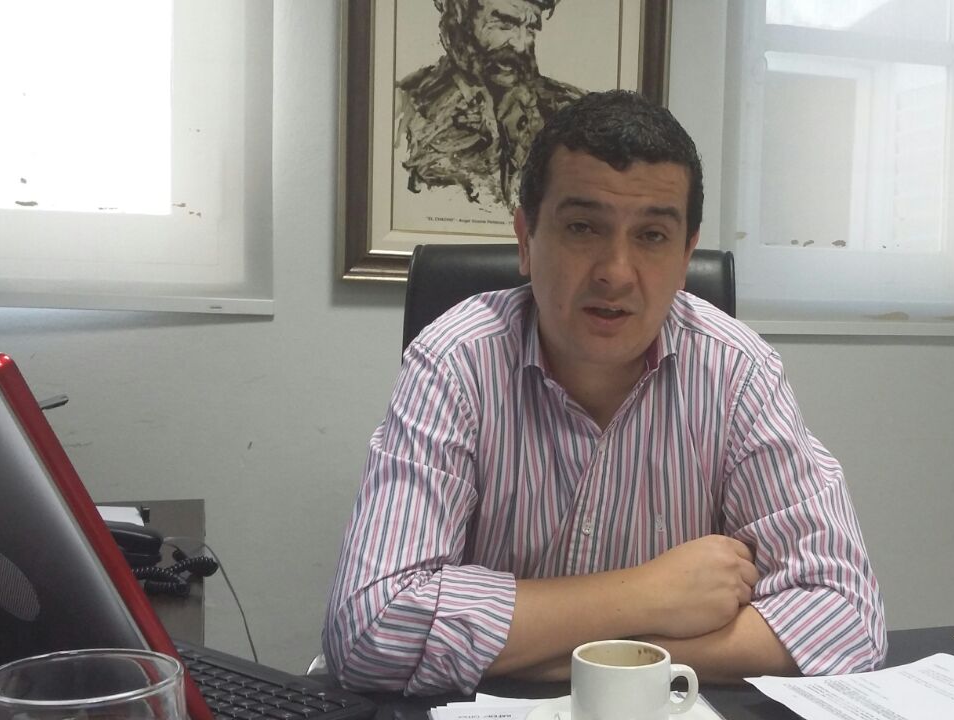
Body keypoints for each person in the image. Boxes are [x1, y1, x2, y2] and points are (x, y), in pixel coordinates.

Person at [324, 90, 886, 695]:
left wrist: (601, 661)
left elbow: (847, 617)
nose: (616, 272)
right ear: (525, 238)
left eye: (652, 236)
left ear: (686, 254)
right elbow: (371, 627)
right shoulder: (455, 362)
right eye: (582, 227)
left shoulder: (737, 372)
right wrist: (652, 593)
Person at [396, 0, 582, 210]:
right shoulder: (404, 110)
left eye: (530, 28)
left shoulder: (571, 114)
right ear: (460, 20)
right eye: (505, 25)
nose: (521, 44)